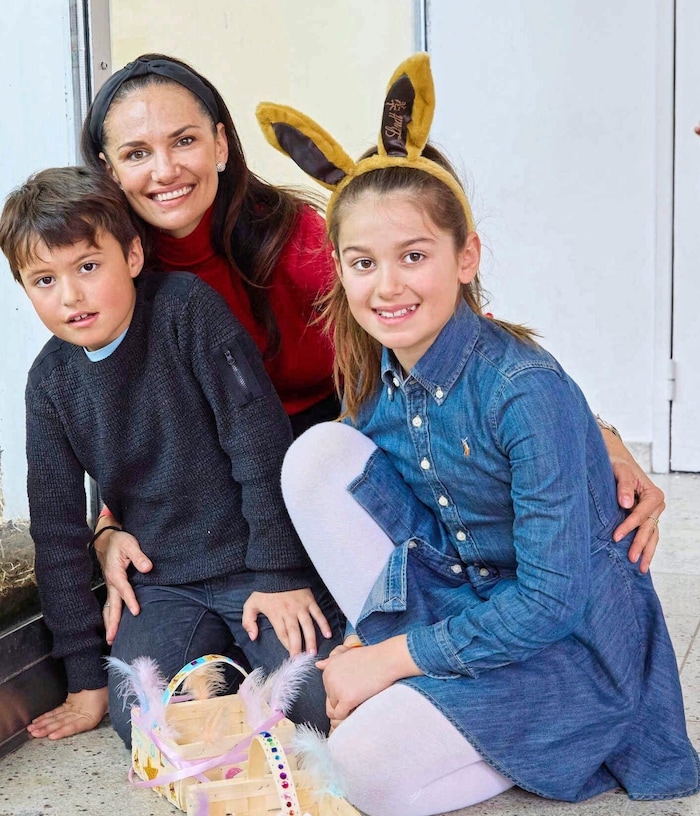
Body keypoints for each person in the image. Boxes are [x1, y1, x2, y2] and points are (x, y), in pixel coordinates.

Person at [81, 52, 666, 641]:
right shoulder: (109, 275)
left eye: (183, 141)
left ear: (222, 145)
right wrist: (108, 524)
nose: (164, 170)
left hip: (331, 451)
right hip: (212, 486)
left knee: (323, 675)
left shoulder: (298, 241)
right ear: (109, 171)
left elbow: (452, 328)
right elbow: (125, 415)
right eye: (136, 153)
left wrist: (592, 434)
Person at [260, 53, 699, 816]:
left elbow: (553, 601)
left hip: (565, 645)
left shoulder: (522, 387)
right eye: (364, 262)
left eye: (415, 256)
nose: (388, 285)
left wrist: (387, 661)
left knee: (365, 771)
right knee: (318, 456)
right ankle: (436, 694)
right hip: (462, 599)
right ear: (339, 270)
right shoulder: (377, 374)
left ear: (467, 258)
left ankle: (535, 734)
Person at [0, 166, 343, 743]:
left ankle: (248, 673)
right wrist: (85, 680)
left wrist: (281, 574)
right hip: (164, 583)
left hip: (255, 562)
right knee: (139, 717)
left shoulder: (186, 312)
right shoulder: (50, 382)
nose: (71, 296)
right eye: (43, 280)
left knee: (320, 704)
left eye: (88, 267)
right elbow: (56, 533)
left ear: (132, 255)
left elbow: (260, 445)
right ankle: (229, 685)